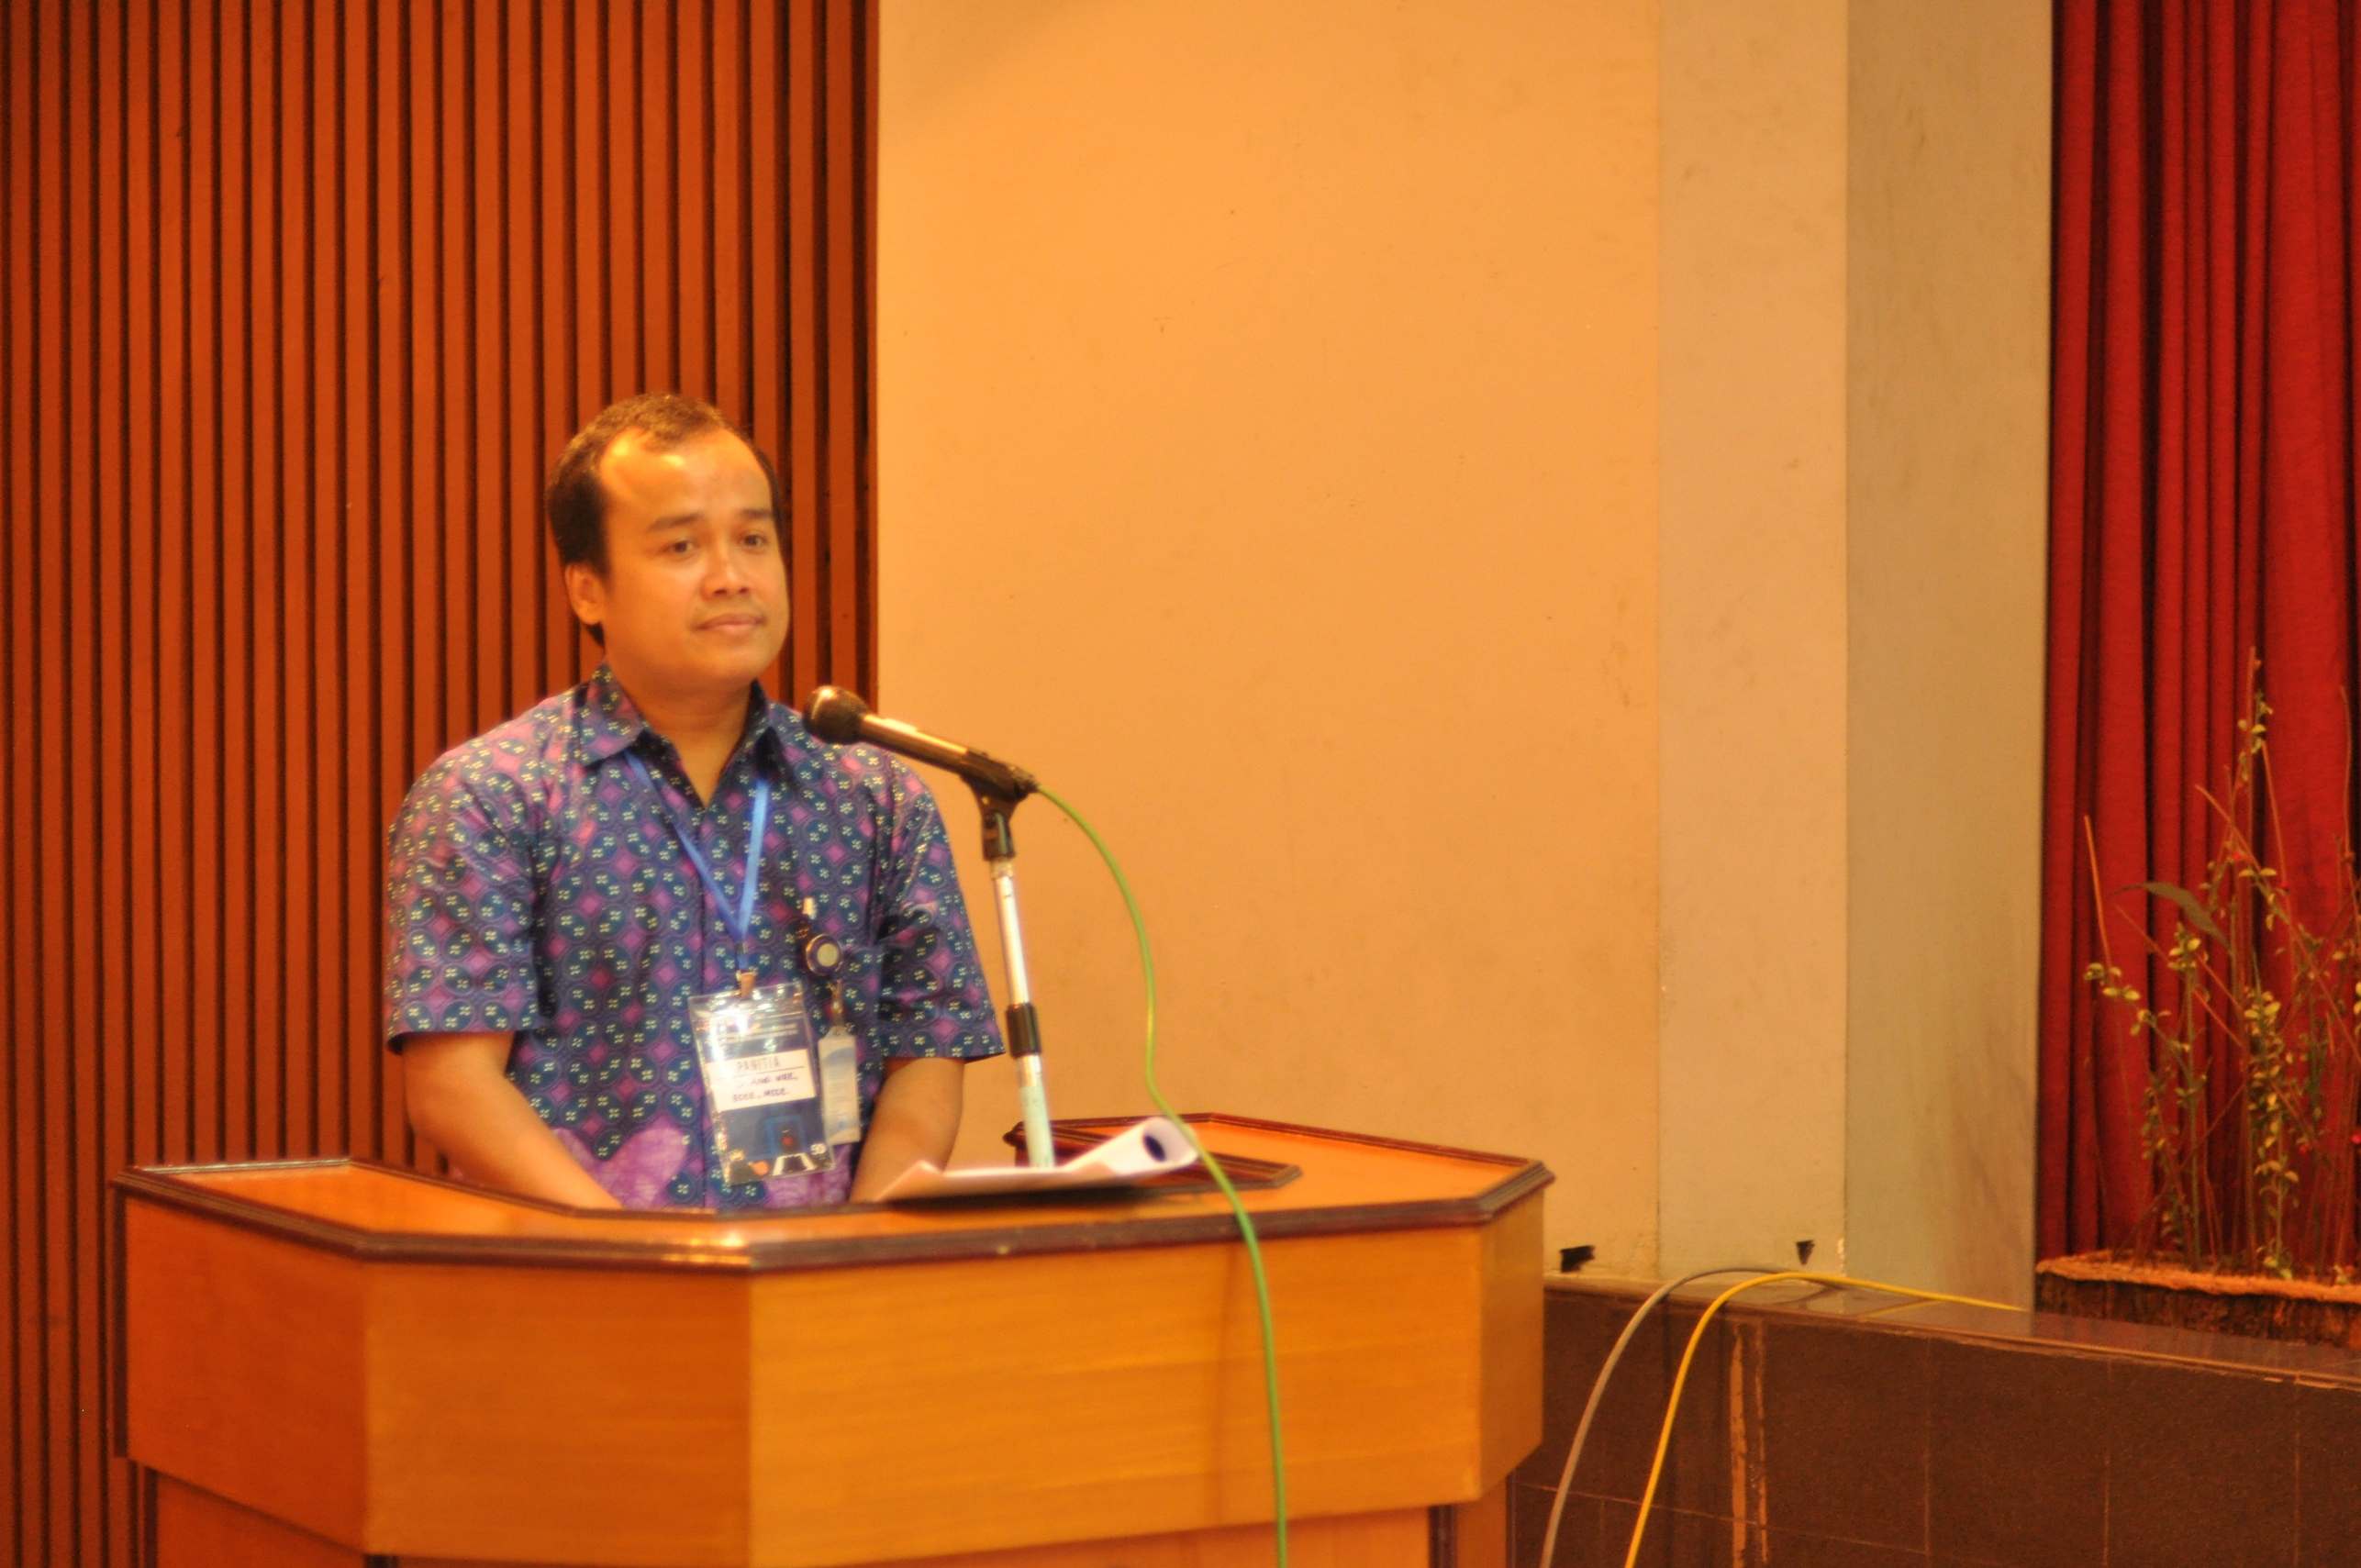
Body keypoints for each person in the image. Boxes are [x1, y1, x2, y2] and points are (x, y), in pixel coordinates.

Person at [381, 393, 1004, 1208]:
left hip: (820, 1271)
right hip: (577, 1271)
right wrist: (633, 1257)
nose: (730, 577)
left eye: (753, 539)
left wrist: (864, 1243)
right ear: (587, 589)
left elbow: (928, 1049)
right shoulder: (491, 796)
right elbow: (452, 1085)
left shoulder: (875, 796)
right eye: (681, 545)